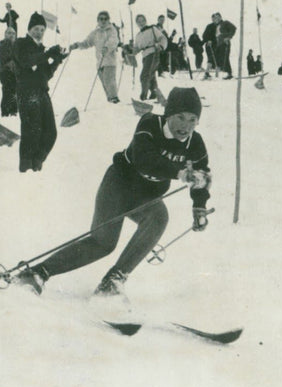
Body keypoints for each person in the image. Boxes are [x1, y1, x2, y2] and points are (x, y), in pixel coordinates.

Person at [15, 87, 211, 298]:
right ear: (168, 115)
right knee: (103, 243)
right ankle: (38, 273)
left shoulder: (196, 144)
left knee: (159, 217)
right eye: (180, 117)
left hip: (146, 195)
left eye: (193, 120)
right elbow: (144, 160)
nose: (186, 126)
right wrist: (179, 172)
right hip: (118, 185)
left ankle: (112, 282)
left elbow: (203, 175)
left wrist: (199, 206)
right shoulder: (149, 124)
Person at [13, 13, 68, 172]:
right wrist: (48, 54)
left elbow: (46, 75)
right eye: (36, 29)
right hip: (27, 92)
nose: (39, 32)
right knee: (32, 131)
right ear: (29, 29)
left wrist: (57, 59)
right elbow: (26, 61)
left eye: (42, 29)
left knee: (51, 132)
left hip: (42, 92)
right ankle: (26, 169)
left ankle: (36, 165)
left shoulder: (41, 49)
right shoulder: (21, 43)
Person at [70, 10, 121, 104]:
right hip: (99, 61)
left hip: (109, 60)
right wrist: (77, 45)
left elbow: (114, 40)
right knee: (104, 82)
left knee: (109, 80)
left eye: (105, 19)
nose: (103, 21)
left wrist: (107, 47)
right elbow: (87, 42)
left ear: (108, 20)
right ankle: (110, 100)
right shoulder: (96, 32)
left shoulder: (111, 30)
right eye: (101, 19)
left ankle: (114, 98)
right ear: (98, 20)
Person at [132, 14, 168, 101]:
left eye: (142, 21)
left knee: (144, 75)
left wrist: (161, 46)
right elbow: (137, 48)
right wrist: (131, 51)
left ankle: (143, 95)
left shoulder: (152, 29)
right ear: (136, 23)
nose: (141, 23)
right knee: (151, 74)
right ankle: (154, 93)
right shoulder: (138, 35)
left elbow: (163, 38)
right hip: (145, 55)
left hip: (153, 53)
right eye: (139, 21)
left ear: (145, 21)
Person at [0, 27, 18, 117]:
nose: (11, 35)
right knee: (7, 92)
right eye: (9, 33)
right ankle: (5, 113)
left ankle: (13, 111)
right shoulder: (3, 45)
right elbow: (5, 59)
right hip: (5, 72)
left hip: (15, 73)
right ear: (5, 34)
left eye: (13, 33)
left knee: (14, 92)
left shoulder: (16, 45)